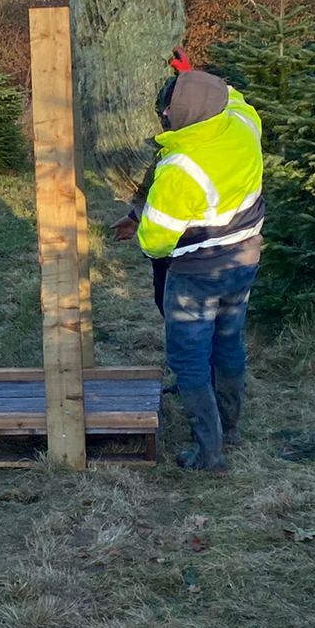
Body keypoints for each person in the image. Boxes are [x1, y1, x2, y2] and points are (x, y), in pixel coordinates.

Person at [110, 59, 263, 472]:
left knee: (189, 358)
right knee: (228, 343)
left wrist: (144, 238)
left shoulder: (181, 169)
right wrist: (192, 78)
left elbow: (156, 241)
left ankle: (209, 453)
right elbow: (230, 94)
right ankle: (230, 427)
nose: (163, 115)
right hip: (245, 257)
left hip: (198, 273)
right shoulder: (243, 122)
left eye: (168, 110)